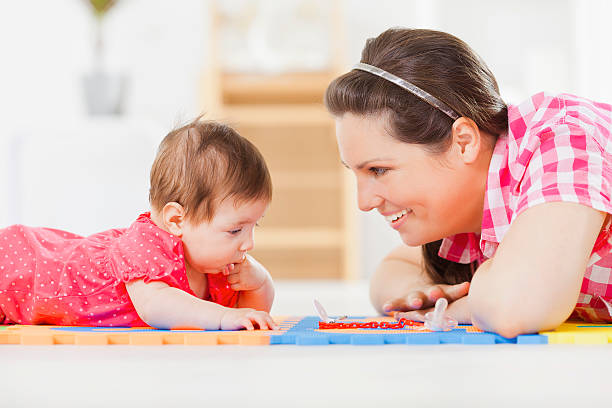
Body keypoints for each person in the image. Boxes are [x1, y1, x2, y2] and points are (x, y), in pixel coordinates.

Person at [325, 28, 612, 337]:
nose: (364, 202)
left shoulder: (564, 140)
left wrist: (454, 310)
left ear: (463, 142)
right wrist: (426, 297)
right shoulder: (475, 208)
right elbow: (392, 273)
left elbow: (516, 308)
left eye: (378, 170)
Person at [0, 118, 278, 331]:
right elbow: (156, 306)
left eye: (255, 226)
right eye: (235, 230)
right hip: (20, 267)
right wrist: (222, 316)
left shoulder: (215, 265)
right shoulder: (147, 243)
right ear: (176, 220)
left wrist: (259, 284)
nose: (249, 243)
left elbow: (250, 321)